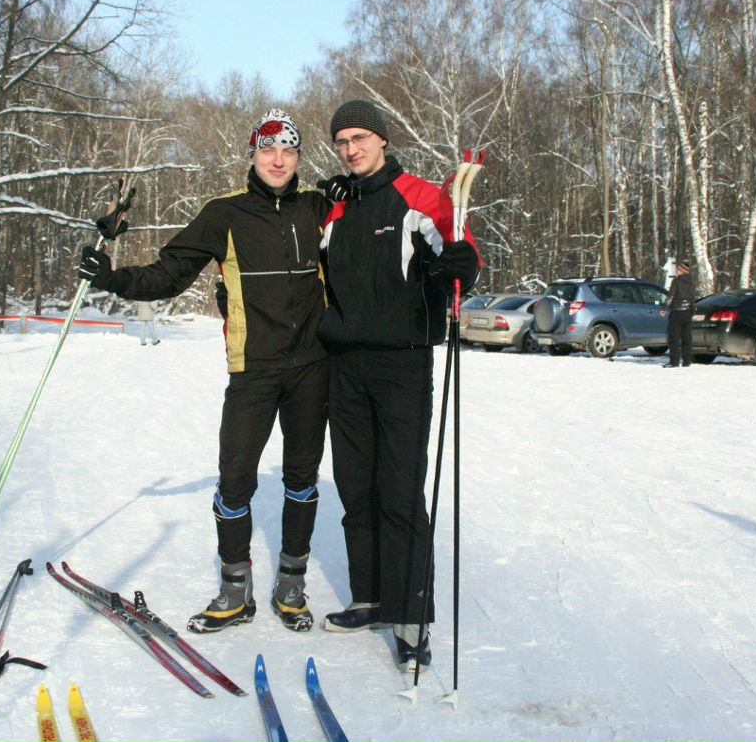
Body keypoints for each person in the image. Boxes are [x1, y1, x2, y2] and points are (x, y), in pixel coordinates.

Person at [76, 108, 332, 633]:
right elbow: (168, 274)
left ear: (298, 157)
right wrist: (111, 279)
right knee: (235, 481)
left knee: (302, 479)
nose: (278, 160)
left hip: (313, 366)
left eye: (288, 151)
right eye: (268, 150)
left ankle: (292, 583)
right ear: (253, 156)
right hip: (253, 369)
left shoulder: (319, 207)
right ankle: (235, 589)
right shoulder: (225, 214)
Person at [314, 99, 481, 673]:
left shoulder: (418, 195)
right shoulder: (335, 209)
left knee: (400, 490)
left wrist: (459, 265)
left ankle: (411, 614)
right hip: (346, 365)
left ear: (383, 139)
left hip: (402, 363)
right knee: (355, 485)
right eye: (342, 141)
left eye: (360, 137)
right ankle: (369, 598)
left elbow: (460, 253)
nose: (351, 148)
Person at [665, 260, 696, 368]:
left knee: (674, 338)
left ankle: (674, 361)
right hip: (687, 312)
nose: (676, 271)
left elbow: (671, 296)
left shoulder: (676, 281)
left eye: (678, 269)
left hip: (676, 312)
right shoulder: (691, 282)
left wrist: (665, 307)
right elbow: (693, 299)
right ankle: (687, 361)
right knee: (687, 338)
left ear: (682, 271)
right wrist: (692, 311)